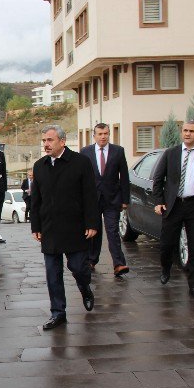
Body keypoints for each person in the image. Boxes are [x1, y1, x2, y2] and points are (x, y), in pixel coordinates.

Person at [31, 125, 98, 330]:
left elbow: (90, 195)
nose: (46, 144)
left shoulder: (80, 163)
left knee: (78, 267)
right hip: (50, 228)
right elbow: (36, 199)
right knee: (53, 273)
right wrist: (36, 225)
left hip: (75, 227)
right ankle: (58, 313)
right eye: (44, 141)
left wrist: (92, 223)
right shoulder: (40, 166)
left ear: (62, 141)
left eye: (50, 140)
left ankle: (85, 288)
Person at [152, 119, 194, 299]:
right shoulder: (170, 153)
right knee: (167, 243)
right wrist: (159, 201)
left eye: (192, 131)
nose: (187, 134)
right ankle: (165, 268)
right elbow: (158, 180)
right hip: (173, 205)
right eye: (185, 130)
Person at [80, 123, 131, 276]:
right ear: (94, 135)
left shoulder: (118, 151)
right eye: (100, 134)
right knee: (93, 231)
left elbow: (124, 177)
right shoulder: (85, 152)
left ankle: (119, 264)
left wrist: (125, 199)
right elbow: (80, 177)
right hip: (92, 199)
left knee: (112, 230)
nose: (103, 137)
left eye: (106, 134)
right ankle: (91, 260)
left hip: (112, 199)